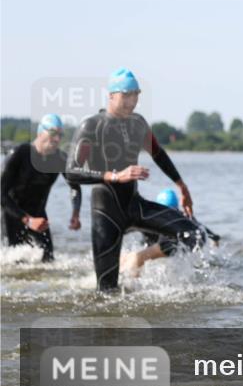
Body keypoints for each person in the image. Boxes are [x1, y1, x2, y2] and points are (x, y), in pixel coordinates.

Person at [65, 68, 207, 291]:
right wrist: (114, 176)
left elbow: (158, 154)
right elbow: (71, 171)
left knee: (195, 234)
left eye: (136, 94)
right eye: (126, 94)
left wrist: (181, 185)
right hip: (106, 213)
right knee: (107, 292)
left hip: (135, 205)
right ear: (111, 95)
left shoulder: (138, 124)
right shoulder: (92, 126)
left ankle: (157, 274)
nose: (132, 100)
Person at [1, 114, 81, 261]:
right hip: (12, 214)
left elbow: (74, 186)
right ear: (39, 132)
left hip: (38, 215)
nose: (57, 139)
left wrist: (75, 213)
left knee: (48, 260)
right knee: (12, 262)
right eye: (52, 133)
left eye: (60, 135)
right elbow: (2, 194)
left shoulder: (60, 159)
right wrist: (28, 220)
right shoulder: (20, 154)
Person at [121, 188, 221, 277]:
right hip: (161, 249)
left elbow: (126, 228)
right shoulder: (180, 219)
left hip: (155, 249)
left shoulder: (150, 218)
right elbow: (213, 237)